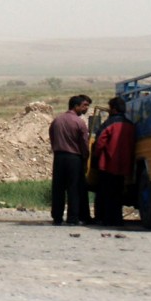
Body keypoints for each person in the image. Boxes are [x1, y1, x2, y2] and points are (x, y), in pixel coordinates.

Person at [91, 96, 136, 226]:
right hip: (124, 166)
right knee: (117, 194)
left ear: (114, 109)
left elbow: (100, 143)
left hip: (107, 165)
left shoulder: (109, 124)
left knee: (104, 193)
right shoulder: (130, 126)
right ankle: (116, 219)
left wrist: (96, 156)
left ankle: (103, 218)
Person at [49, 94, 92, 225]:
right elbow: (84, 143)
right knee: (74, 188)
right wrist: (85, 157)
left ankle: (57, 217)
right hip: (74, 158)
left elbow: (52, 137)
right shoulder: (79, 123)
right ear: (76, 106)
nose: (86, 109)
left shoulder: (57, 120)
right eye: (84, 106)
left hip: (59, 157)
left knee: (58, 188)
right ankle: (73, 218)